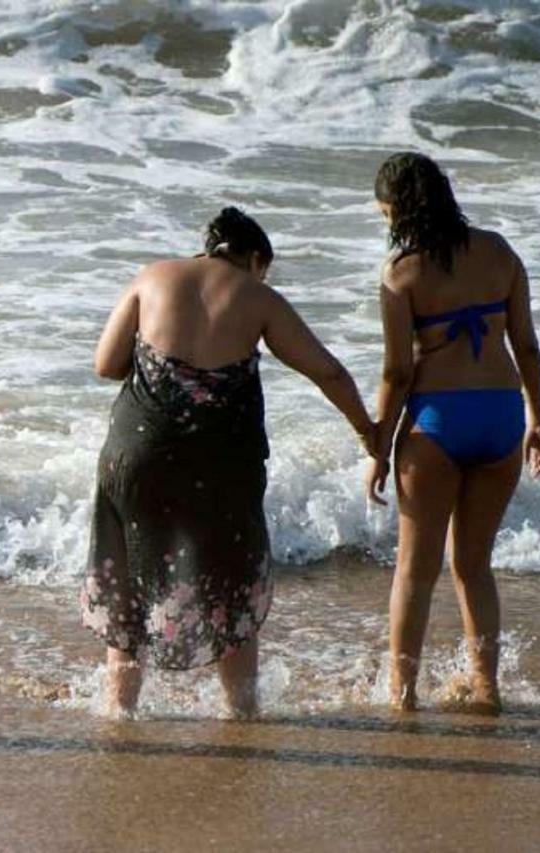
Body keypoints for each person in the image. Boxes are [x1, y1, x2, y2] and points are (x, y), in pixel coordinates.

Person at [81, 207, 377, 717]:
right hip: (218, 464)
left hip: (136, 451)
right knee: (231, 581)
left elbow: (106, 365)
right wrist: (368, 432)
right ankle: (241, 711)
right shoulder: (257, 295)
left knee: (132, 580)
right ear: (255, 259)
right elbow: (326, 371)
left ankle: (119, 712)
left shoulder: (152, 276)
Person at [366, 152, 540, 715]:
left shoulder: (402, 274)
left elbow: (398, 373)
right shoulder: (500, 253)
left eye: (384, 211)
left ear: (398, 209)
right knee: (474, 567)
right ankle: (486, 685)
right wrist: (539, 419)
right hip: (500, 418)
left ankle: (402, 696)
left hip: (437, 424)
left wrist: (379, 443)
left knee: (415, 573)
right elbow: (527, 346)